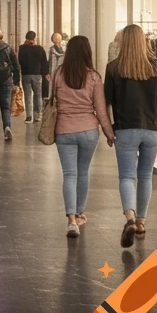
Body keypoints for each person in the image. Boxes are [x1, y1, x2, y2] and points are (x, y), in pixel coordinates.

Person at [104, 24, 157, 248]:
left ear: (123, 41)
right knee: (145, 176)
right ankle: (142, 221)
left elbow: (106, 100)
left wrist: (108, 128)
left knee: (126, 177)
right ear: (144, 40)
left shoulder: (114, 68)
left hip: (125, 128)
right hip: (153, 129)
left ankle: (130, 219)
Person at [52, 34, 114, 237]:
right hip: (88, 130)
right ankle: (79, 213)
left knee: (69, 175)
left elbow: (52, 100)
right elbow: (101, 109)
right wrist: (108, 132)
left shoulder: (59, 74)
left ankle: (71, 221)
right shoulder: (94, 76)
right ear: (88, 52)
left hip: (63, 129)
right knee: (83, 172)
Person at [18, 31, 49, 123]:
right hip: (37, 75)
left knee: (27, 96)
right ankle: (38, 115)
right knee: (38, 95)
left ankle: (29, 116)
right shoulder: (39, 49)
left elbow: (20, 61)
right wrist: (45, 73)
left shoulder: (22, 48)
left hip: (25, 74)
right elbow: (44, 62)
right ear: (35, 38)